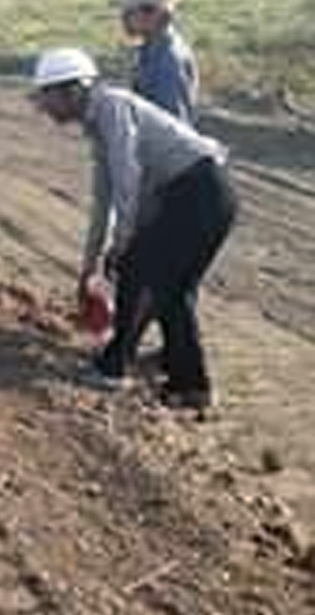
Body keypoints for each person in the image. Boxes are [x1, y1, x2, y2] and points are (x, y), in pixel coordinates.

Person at [30, 47, 235, 410]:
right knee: (166, 285)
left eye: (47, 97)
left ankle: (140, 372)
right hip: (194, 195)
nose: (43, 109)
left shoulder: (112, 107)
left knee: (150, 276)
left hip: (200, 193)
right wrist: (90, 264)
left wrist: (123, 241)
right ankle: (171, 368)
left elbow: (128, 180)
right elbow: (103, 198)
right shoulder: (98, 122)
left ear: (72, 90)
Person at [121, 0, 198, 124]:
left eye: (147, 9)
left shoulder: (169, 59)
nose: (137, 15)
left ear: (165, 13)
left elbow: (172, 123)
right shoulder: (149, 49)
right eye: (131, 10)